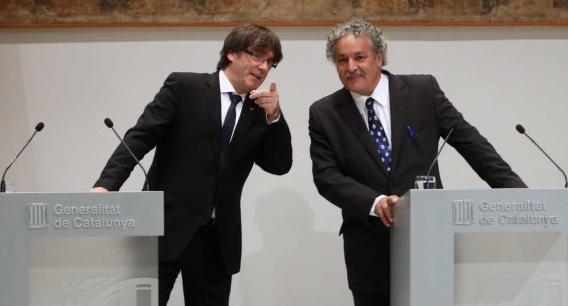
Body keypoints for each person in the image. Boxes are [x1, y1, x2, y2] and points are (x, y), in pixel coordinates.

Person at [308, 18, 526, 306]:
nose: (351, 67)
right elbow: (327, 176)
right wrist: (376, 202)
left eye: (359, 57)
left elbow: (471, 143)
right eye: (341, 60)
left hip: (430, 239)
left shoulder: (422, 91)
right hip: (369, 249)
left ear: (378, 57)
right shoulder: (324, 112)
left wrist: (519, 195)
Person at [91, 24, 293, 306]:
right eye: (258, 55)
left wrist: (275, 117)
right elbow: (140, 137)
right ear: (232, 53)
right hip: (163, 230)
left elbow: (279, 165)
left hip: (216, 241)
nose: (263, 66)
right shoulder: (185, 87)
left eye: (270, 62)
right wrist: (106, 185)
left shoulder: (258, 111)